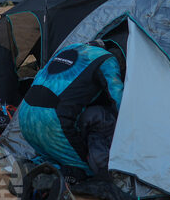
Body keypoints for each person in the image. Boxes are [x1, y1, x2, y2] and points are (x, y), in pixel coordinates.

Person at [17, 41, 124, 177]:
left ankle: (34, 167)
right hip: (52, 120)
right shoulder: (107, 59)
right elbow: (117, 96)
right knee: (85, 173)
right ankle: (49, 175)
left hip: (24, 114)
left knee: (51, 157)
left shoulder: (69, 48)